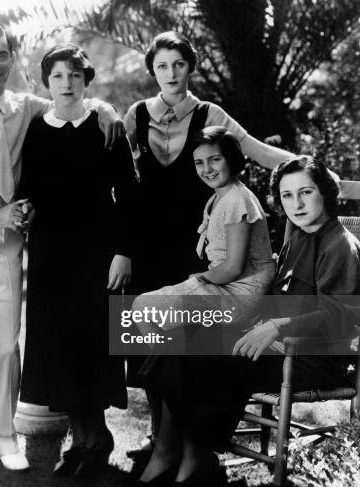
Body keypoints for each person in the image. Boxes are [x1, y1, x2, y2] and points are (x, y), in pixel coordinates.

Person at [0, 22, 125, 477]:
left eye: (1, 55)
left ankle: (2, 435)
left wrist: (106, 107)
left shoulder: (27, 108)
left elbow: (74, 100)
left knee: (3, 343)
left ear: (12, 59)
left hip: (8, 232)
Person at [122, 30, 294, 461]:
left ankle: (188, 442)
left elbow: (253, 150)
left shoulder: (208, 112)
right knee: (152, 339)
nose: (171, 73)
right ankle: (157, 437)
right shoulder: (136, 115)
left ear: (190, 67)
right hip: (147, 244)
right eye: (161, 65)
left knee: (191, 342)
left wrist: (308, 171)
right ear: (152, 71)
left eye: (178, 63)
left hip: (201, 245)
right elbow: (116, 176)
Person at [137, 155, 360, 486]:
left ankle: (193, 456)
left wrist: (277, 327)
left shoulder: (340, 245)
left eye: (306, 192)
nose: (296, 204)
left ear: (325, 192)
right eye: (287, 195)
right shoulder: (297, 238)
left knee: (206, 359)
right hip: (273, 344)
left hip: (312, 356)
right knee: (179, 339)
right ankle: (173, 451)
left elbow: (339, 315)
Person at [17, 44, 138, 478]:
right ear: (46, 83)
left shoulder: (105, 127)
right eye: (57, 77)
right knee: (59, 345)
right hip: (51, 254)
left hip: (97, 252)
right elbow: (28, 187)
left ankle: (97, 438)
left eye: (74, 76)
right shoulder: (36, 128)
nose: (66, 84)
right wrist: (24, 209)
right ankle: (83, 437)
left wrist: (123, 250)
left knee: (92, 343)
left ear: (87, 82)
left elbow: (128, 193)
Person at [134, 126, 275, 324]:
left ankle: (170, 354)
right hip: (226, 284)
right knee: (148, 309)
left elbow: (234, 267)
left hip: (242, 292)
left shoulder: (237, 199)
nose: (207, 169)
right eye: (199, 163)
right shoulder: (219, 196)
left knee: (143, 307)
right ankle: (170, 354)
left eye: (215, 160)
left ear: (232, 158)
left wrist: (200, 278)